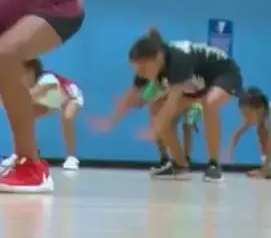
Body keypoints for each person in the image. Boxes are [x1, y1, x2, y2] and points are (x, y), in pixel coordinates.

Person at [92, 28, 243, 182]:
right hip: (197, 83)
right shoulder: (150, 68)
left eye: (143, 68)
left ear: (158, 57)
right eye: (137, 70)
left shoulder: (178, 60)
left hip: (224, 73)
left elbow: (172, 103)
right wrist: (110, 120)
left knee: (209, 103)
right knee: (159, 112)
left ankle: (213, 165)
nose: (141, 73)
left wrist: (154, 129)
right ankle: (180, 165)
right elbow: (131, 94)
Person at [0, 0, 85, 194]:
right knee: (1, 56)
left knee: (2, 56)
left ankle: (31, 167)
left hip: (59, 3)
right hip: (26, 5)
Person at [0, 59, 85, 172]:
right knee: (21, 119)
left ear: (31, 71)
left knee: (67, 118)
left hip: (70, 98)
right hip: (49, 103)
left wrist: (6, 100)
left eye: (20, 73)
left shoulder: (47, 79)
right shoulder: (25, 86)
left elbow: (29, 97)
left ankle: (72, 158)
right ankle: (20, 154)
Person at [140, 81, 202, 170]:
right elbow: (150, 105)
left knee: (187, 126)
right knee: (160, 126)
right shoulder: (153, 87)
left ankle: (186, 158)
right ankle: (164, 158)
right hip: (170, 104)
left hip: (190, 102)